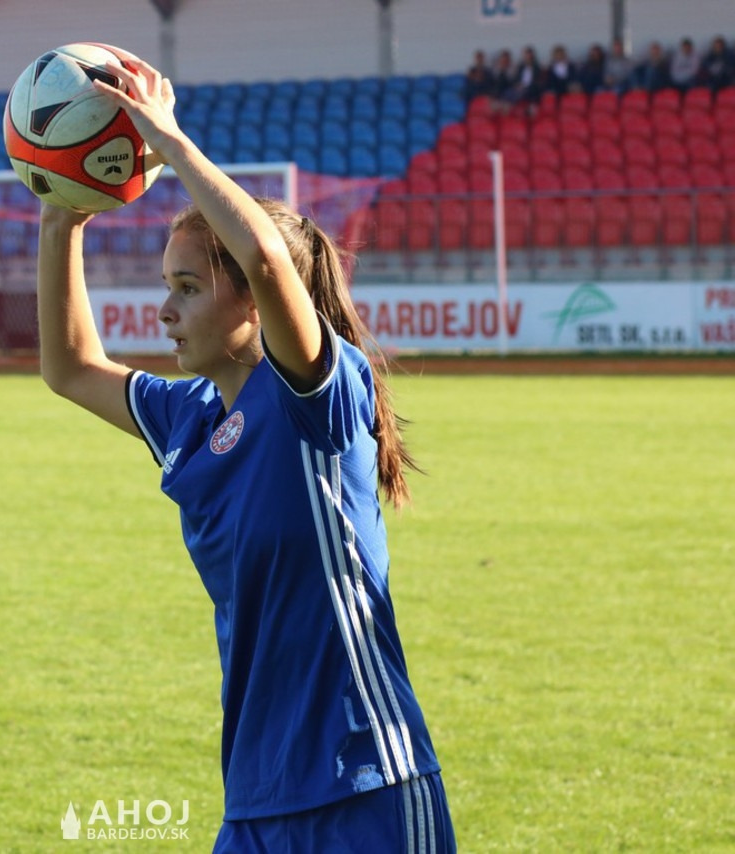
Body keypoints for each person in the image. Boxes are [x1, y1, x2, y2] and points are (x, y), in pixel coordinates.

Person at [35, 52, 454, 852]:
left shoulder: (316, 396)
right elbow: (71, 369)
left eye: (189, 287)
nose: (165, 310)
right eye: (168, 285)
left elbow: (263, 257)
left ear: (255, 304)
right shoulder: (189, 417)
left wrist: (171, 143)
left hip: (368, 785)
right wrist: (64, 213)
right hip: (257, 798)